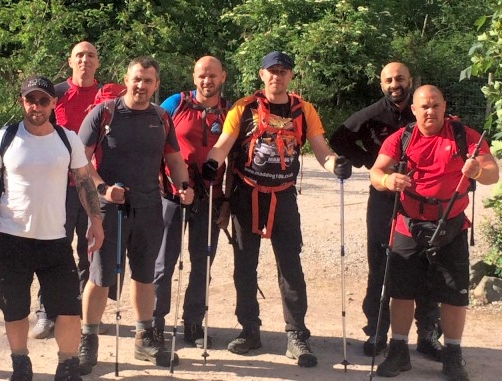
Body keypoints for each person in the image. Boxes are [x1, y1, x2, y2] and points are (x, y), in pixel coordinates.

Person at [203, 51, 352, 368]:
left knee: (290, 267)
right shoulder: (243, 108)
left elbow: (322, 152)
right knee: (245, 266)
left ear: (291, 76)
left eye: (283, 71)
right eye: (272, 71)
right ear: (262, 75)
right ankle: (249, 331)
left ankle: (297, 335)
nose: (277, 77)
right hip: (247, 194)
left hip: (283, 197)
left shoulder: (303, 110)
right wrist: (211, 163)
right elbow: (224, 145)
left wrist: (336, 165)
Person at [0, 75, 104, 381]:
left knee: (69, 309)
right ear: (22, 102)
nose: (37, 106)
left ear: (54, 103)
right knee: (14, 308)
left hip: (54, 239)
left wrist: (96, 222)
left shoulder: (67, 139)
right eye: (31, 99)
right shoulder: (4, 138)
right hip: (11, 237)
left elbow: (84, 182)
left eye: (44, 100)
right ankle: (21, 363)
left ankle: (67, 365)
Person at [370, 85, 498, 380]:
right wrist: (389, 180)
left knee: (454, 294)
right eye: (423, 107)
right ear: (413, 110)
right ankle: (398, 351)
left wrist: (477, 171)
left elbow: (493, 173)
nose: (430, 111)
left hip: (451, 224)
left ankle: (453, 355)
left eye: (435, 105)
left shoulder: (466, 137)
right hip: (407, 224)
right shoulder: (401, 138)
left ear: (444, 106)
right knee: (400, 293)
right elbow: (376, 172)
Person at [77, 56, 194, 371]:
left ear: (156, 85)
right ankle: (88, 341)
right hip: (108, 208)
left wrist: (183, 185)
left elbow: (173, 158)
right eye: (137, 79)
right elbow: (81, 162)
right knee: (100, 277)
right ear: (126, 80)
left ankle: (144, 340)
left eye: (148, 81)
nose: (141, 86)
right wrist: (102, 189)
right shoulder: (103, 114)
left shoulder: (161, 117)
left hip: (149, 206)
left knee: (144, 276)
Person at [329, 62, 442, 359]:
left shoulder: (422, 108)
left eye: (400, 79)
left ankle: (428, 333)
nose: (395, 84)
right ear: (381, 84)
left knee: (427, 264)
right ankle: (377, 329)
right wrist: (369, 161)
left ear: (411, 80)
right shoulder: (372, 114)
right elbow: (338, 139)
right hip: (383, 197)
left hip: (424, 199)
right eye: (389, 80)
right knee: (380, 263)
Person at [152, 56, 230, 348]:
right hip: (172, 195)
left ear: (222, 77)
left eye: (212, 75)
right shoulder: (176, 103)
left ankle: (193, 323)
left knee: (202, 263)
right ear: (194, 77)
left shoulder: (230, 111)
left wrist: (227, 202)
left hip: (210, 197)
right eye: (201, 75)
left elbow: (234, 161)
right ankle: (155, 323)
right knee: (163, 262)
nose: (206, 81)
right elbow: (155, 145)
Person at [30, 41, 102, 340]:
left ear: (98, 62)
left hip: (92, 187)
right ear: (70, 60)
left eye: (91, 56)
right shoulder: (55, 94)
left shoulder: (109, 95)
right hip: (57, 187)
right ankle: (46, 312)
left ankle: (82, 313)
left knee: (90, 251)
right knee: (53, 249)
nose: (85, 60)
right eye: (79, 55)